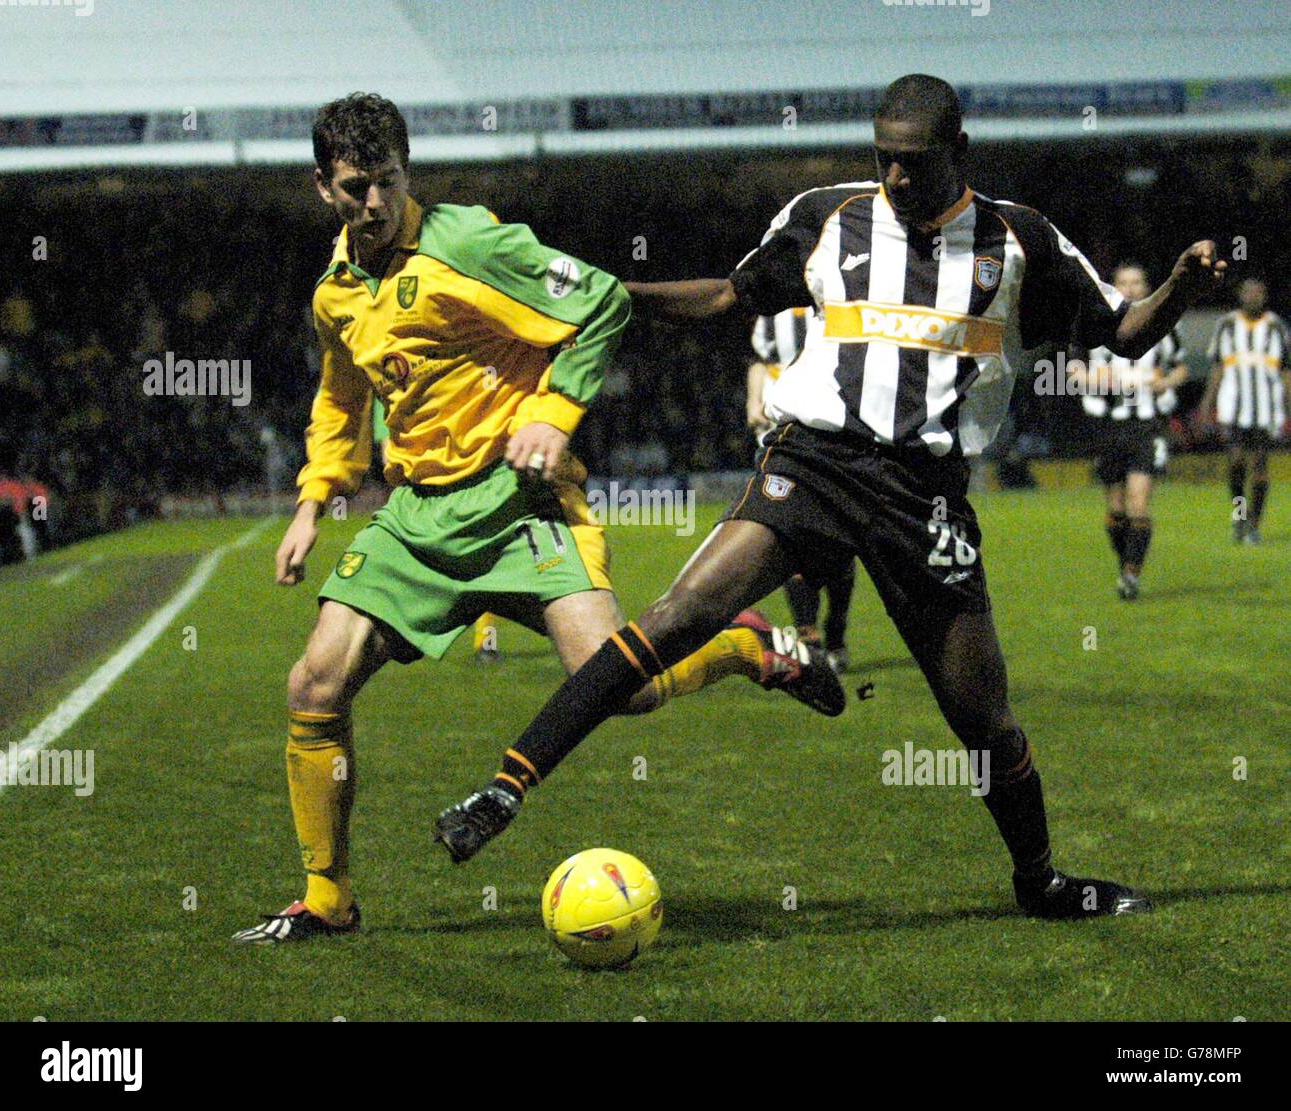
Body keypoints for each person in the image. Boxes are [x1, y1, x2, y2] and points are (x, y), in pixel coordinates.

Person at [436, 74, 1229, 920]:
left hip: (920, 494)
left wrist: (1181, 284)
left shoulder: (1020, 241)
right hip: (810, 464)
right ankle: (505, 788)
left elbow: (1126, 331)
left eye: (913, 162)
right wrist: (615, 294)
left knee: (980, 719)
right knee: (675, 615)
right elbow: (728, 296)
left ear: (959, 151)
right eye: (882, 158)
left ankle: (1040, 881)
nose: (893, 177)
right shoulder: (827, 216)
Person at [230, 94, 843, 945]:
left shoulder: (471, 242)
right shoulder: (335, 292)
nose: (375, 203)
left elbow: (599, 303)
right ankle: (326, 898)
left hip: (520, 509)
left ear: (410, 172)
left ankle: (740, 645)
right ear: (322, 186)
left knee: (622, 690)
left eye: (389, 182)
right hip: (415, 519)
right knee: (314, 683)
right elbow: (341, 402)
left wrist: (553, 413)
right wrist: (313, 501)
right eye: (356, 186)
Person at [1068, 263, 1188, 599]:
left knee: (1138, 504)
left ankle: (1132, 576)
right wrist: (1114, 380)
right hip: (1107, 426)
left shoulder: (1162, 326)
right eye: (1124, 282)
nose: (1131, 288)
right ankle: (1126, 563)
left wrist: (1165, 382)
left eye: (1137, 282)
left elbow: (1180, 368)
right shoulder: (1093, 326)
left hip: (1145, 425)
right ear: (1113, 286)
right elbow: (1074, 374)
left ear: (1146, 286)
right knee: (1116, 509)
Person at [748, 310, 858, 670]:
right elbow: (761, 362)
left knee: (840, 544)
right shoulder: (772, 314)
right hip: (780, 436)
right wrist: (753, 403)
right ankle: (808, 637)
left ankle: (836, 629)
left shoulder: (841, 296)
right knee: (792, 537)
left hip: (832, 432)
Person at [1200, 277, 1289, 544]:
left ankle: (1254, 524)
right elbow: (1217, 367)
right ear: (1240, 295)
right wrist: (1207, 403)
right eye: (1248, 291)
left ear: (1265, 296)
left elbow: (1286, 370)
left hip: (1266, 408)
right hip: (1233, 407)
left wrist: (1287, 405)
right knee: (1236, 463)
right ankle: (1240, 516)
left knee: (1261, 465)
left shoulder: (1276, 326)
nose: (1253, 296)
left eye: (1258, 291)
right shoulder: (1226, 325)